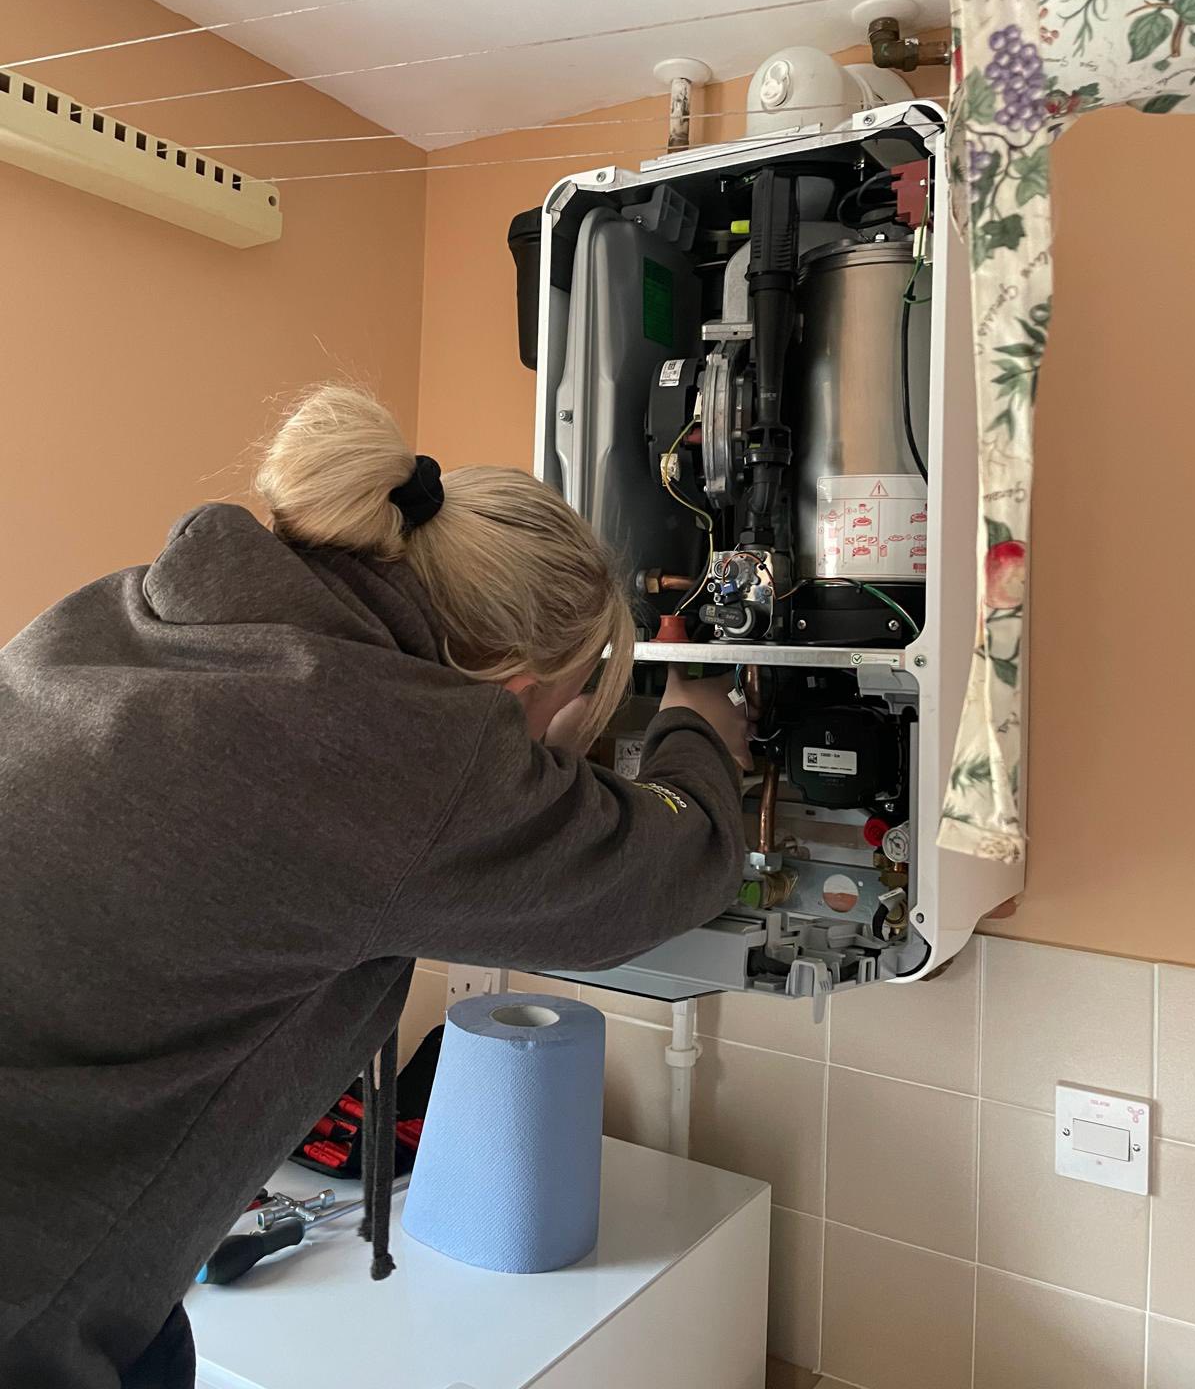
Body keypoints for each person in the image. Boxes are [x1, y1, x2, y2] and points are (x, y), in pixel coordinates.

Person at [0, 384, 751, 1389]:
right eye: (569, 704)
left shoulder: (129, 608)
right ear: (514, 679)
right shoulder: (405, 747)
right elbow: (672, 867)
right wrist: (699, 721)